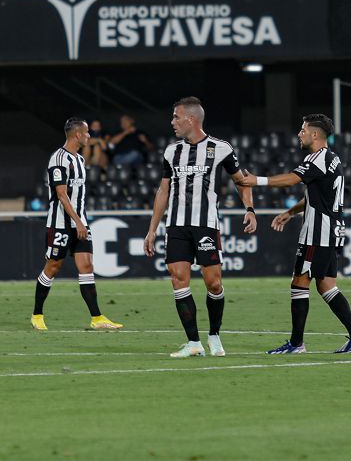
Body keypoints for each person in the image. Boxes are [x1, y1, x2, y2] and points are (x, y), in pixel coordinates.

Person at [235, 115, 351, 355]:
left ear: (315, 134)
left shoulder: (318, 158)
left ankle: (296, 344)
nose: (300, 133)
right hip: (330, 230)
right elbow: (315, 196)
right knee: (327, 286)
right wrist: (290, 212)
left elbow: (291, 179)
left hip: (318, 232)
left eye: (303, 129)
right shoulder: (332, 158)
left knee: (300, 282)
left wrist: (257, 181)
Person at [143, 97, 257, 359]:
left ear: (191, 119)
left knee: (213, 283)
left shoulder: (221, 148)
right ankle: (193, 342)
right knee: (178, 279)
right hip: (177, 226)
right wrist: (152, 229)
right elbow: (163, 190)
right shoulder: (171, 152)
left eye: (176, 117)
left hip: (206, 225)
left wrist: (249, 209)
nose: (172, 122)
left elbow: (242, 181)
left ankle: (214, 335)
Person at [31, 118, 123, 332]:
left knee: (86, 266)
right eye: (87, 132)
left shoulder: (80, 160)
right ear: (77, 135)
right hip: (61, 224)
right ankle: (37, 314)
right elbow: (61, 195)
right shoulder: (58, 159)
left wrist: (81, 222)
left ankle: (97, 317)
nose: (89, 136)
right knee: (53, 267)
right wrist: (78, 222)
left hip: (80, 223)